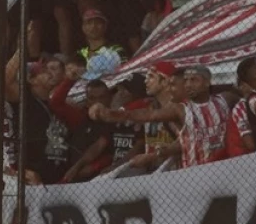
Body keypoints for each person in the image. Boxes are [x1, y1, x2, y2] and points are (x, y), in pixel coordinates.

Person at [92, 65, 232, 168]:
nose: (189, 85)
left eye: (193, 80)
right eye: (187, 81)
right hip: (190, 174)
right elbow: (148, 115)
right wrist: (111, 114)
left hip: (219, 169)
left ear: (207, 82)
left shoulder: (226, 99)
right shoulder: (177, 108)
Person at [5, 50, 71, 185]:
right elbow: (5, 80)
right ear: (31, 79)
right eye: (45, 72)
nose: (51, 74)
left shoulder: (55, 104)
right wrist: (20, 49)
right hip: (32, 175)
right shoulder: (25, 99)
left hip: (57, 176)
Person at [129, 61, 181, 169]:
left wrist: (151, 157)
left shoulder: (180, 108)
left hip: (176, 171)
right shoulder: (150, 106)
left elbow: (185, 142)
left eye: (151, 77)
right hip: (153, 171)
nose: (145, 81)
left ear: (166, 81)